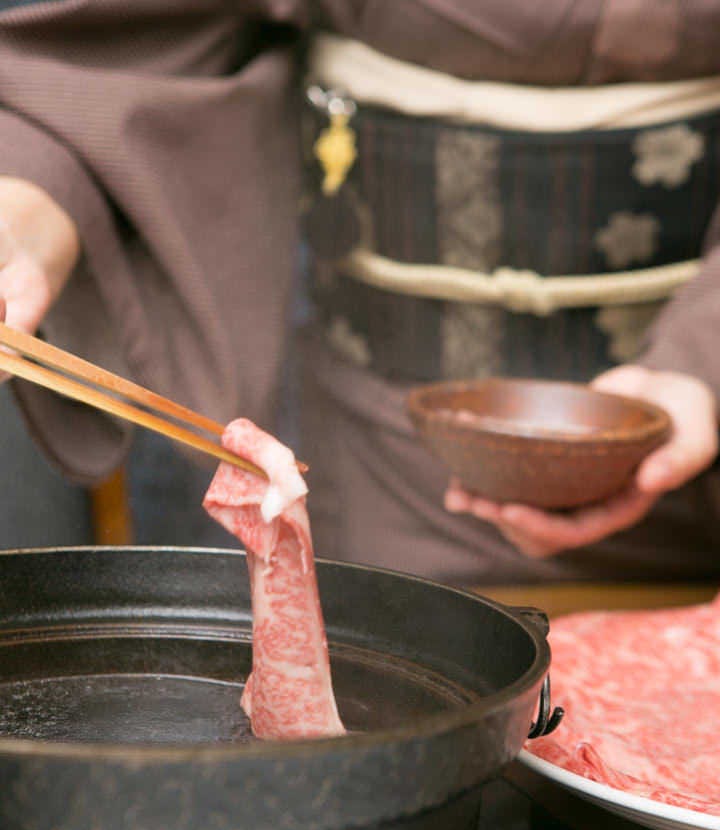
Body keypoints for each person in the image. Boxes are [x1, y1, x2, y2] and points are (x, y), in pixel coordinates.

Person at [0, 2, 718, 585]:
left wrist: (702, 354)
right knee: (395, 682)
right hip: (393, 458)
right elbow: (145, 43)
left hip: (699, 437)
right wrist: (27, 216)